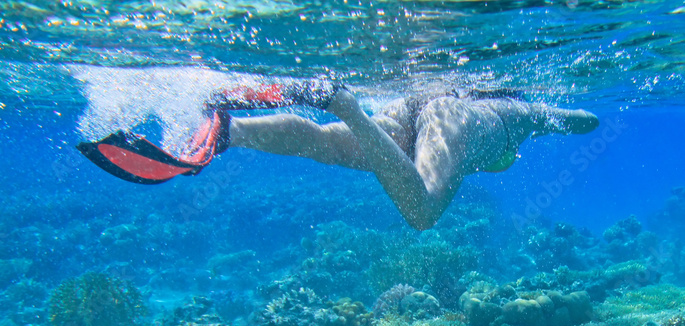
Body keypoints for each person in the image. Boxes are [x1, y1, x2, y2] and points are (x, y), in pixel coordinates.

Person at [78, 82, 599, 231]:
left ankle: (227, 129)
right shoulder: (523, 113)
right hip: (458, 120)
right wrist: (561, 118)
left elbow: (582, 121)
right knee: (421, 213)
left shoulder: (519, 109)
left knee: (324, 145)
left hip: (419, 104)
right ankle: (344, 102)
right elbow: (584, 122)